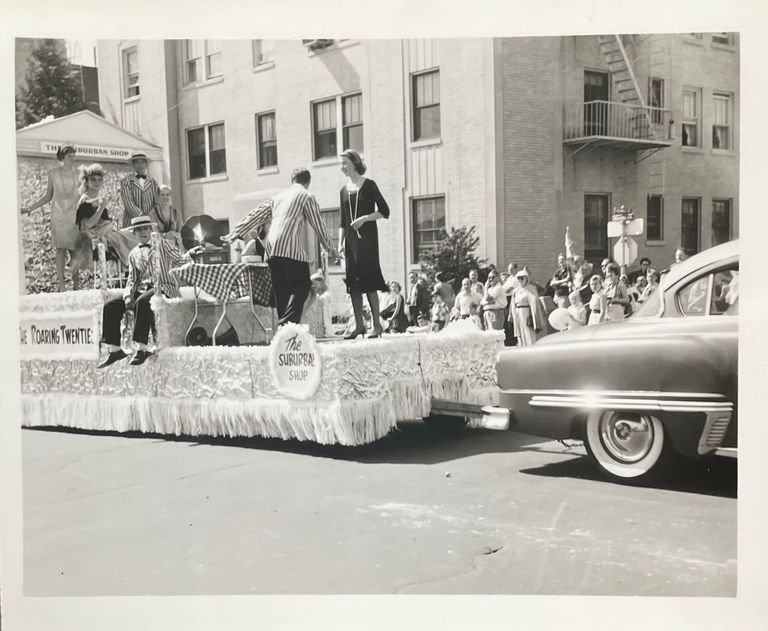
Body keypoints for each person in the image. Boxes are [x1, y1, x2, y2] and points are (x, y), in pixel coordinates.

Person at [222, 169, 337, 326]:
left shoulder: (277, 198)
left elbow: (255, 214)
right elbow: (318, 224)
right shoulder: (306, 196)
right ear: (308, 182)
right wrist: (331, 248)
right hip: (289, 247)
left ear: (292, 181)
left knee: (282, 293)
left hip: (271, 250)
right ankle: (286, 323)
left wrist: (236, 232)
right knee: (303, 284)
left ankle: (286, 334)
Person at [98, 216, 198, 368]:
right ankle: (115, 350)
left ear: (151, 230)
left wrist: (193, 254)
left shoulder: (163, 244)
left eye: (145, 228)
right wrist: (127, 296)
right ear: (134, 233)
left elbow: (179, 260)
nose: (143, 232)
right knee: (110, 305)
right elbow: (132, 280)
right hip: (143, 290)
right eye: (139, 230)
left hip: (164, 287)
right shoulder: (133, 254)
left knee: (143, 301)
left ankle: (142, 348)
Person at [20, 145, 89, 291]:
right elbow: (47, 196)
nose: (72, 159)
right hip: (59, 216)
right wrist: (30, 208)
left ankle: (76, 285)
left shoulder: (79, 174)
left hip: (74, 216)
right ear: (62, 157)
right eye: (69, 156)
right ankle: (61, 285)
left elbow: (84, 195)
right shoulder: (53, 173)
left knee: (75, 250)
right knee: (60, 249)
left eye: (74, 156)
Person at [338, 149, 390, 339]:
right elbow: (343, 221)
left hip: (367, 240)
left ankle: (376, 325)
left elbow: (385, 211)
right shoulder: (343, 191)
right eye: (341, 164)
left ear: (355, 163)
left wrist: (365, 218)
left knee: (369, 282)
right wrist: (340, 243)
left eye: (345, 163)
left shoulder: (369, 186)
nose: (342, 167)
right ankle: (359, 325)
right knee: (354, 284)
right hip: (351, 243)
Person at [71, 163, 137, 270]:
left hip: (106, 232)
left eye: (99, 180)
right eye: (93, 180)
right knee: (130, 238)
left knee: (133, 233)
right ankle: (131, 264)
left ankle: (133, 264)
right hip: (93, 238)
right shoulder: (85, 201)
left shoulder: (99, 200)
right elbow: (88, 225)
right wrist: (101, 208)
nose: (97, 182)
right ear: (86, 182)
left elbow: (105, 222)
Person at [119, 152, 160, 228]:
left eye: (142, 162)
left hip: (149, 222)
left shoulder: (153, 182)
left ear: (146, 165)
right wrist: (141, 216)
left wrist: (149, 216)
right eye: (137, 163)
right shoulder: (126, 181)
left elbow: (156, 202)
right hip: (131, 222)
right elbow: (128, 202)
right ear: (133, 165)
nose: (140, 165)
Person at [508, 269, 543, 346]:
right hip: (517, 312)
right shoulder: (515, 291)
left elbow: (534, 302)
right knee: (519, 333)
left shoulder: (531, 289)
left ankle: (531, 348)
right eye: (518, 278)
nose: (520, 280)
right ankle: (522, 347)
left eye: (522, 278)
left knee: (528, 333)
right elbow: (512, 303)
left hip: (526, 311)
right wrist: (511, 315)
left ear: (526, 279)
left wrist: (533, 315)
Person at [150, 184, 184, 252]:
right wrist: (165, 235)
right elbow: (155, 233)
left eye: (167, 195)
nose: (165, 197)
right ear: (158, 196)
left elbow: (181, 232)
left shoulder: (176, 213)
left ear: (170, 196)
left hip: (175, 246)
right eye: (162, 195)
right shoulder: (153, 213)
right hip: (159, 246)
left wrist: (173, 234)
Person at [301, 271, 333, 338]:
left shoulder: (324, 297)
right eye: (312, 283)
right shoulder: (308, 298)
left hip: (319, 329)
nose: (314, 285)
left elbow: (326, 317)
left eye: (316, 283)